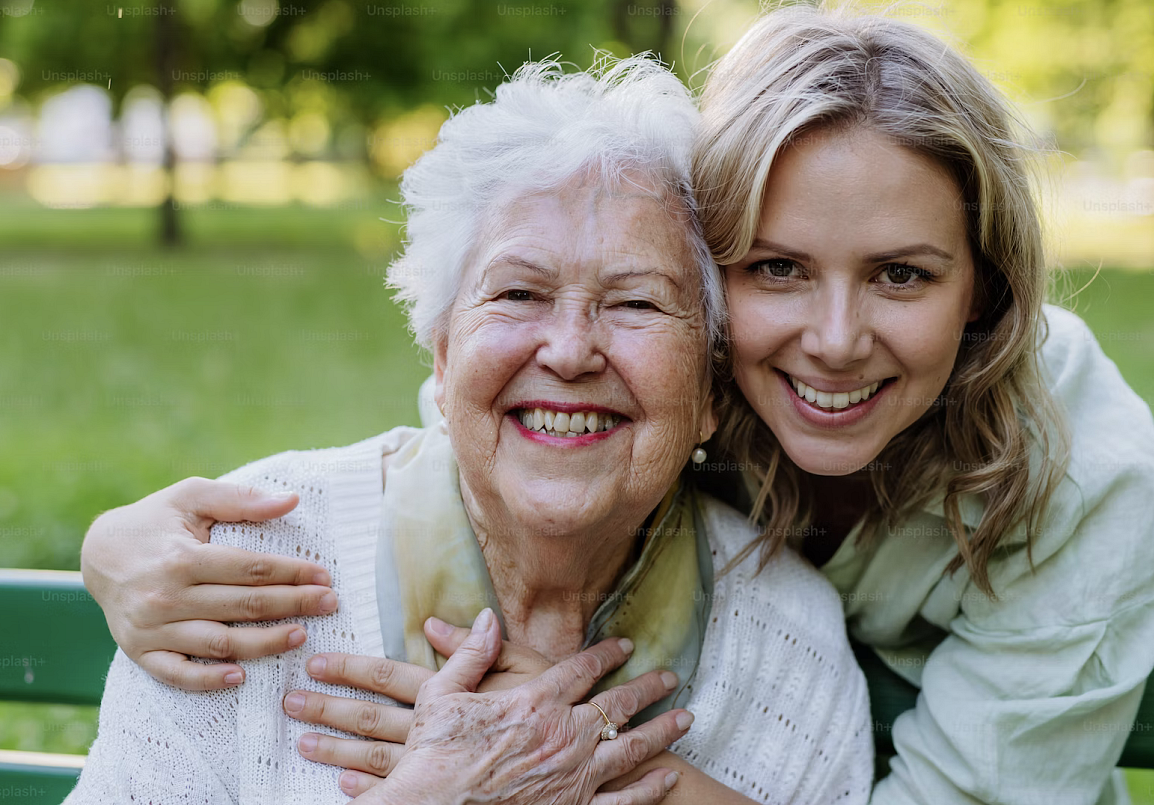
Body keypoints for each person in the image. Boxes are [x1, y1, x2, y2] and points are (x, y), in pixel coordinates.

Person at [81, 5, 1154, 804]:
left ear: (984, 287)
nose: (835, 339)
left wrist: (574, 755)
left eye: (902, 274)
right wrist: (110, 546)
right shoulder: (662, 374)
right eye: (778, 267)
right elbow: (515, 409)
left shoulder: (1088, 489)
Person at [66, 56, 873, 805]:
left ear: (709, 389)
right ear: (444, 356)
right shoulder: (237, 575)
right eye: (519, 293)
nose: (569, 350)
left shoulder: (787, 645)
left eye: (636, 302)